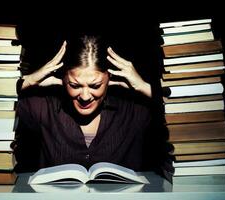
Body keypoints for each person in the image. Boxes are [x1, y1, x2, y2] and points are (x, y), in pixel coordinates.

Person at [14, 35, 166, 172]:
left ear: (109, 78)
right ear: (63, 79)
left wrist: (145, 87)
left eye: (95, 86)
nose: (85, 97)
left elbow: (182, 114)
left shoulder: (133, 112)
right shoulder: (43, 109)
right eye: (75, 85)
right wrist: (28, 81)